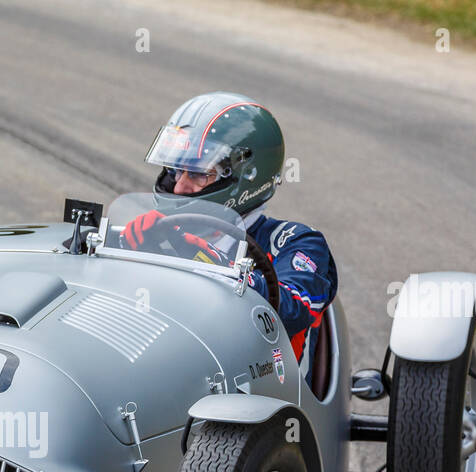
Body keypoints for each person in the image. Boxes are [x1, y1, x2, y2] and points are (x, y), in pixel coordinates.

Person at [122, 93, 338, 364]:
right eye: (175, 171)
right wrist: (122, 249)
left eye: (199, 173)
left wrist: (211, 262)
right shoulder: (161, 235)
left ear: (247, 176)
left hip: (259, 392)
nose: (179, 187)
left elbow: (295, 309)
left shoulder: (296, 242)